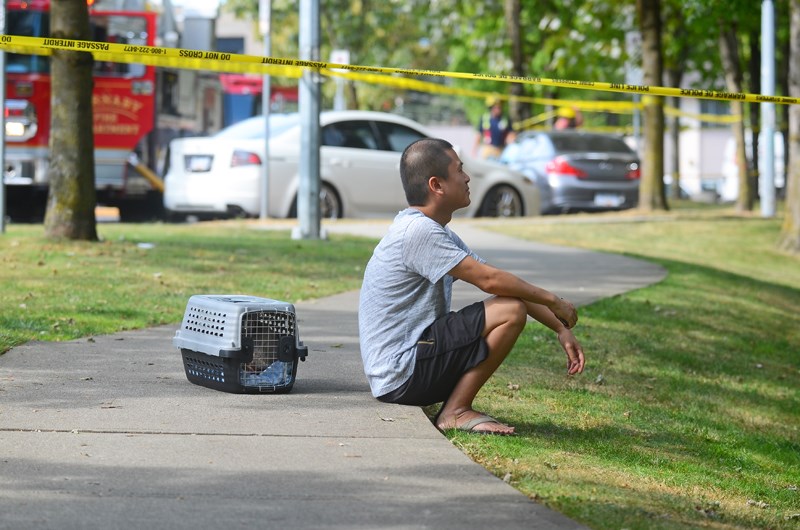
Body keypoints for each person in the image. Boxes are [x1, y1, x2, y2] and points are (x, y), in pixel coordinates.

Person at [358, 138, 586, 435]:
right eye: (459, 170)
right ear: (436, 185)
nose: (467, 177)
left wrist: (559, 328)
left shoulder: (433, 231)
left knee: (509, 303)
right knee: (510, 311)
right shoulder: (418, 232)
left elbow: (500, 282)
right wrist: (554, 301)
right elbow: (491, 281)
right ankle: (455, 411)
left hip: (405, 370)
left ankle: (456, 407)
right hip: (402, 373)